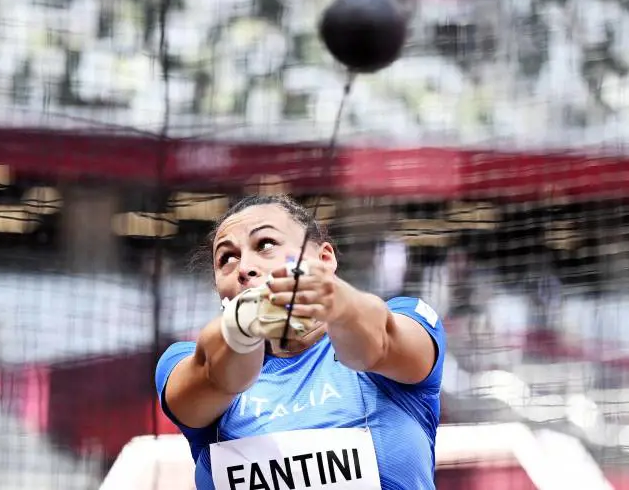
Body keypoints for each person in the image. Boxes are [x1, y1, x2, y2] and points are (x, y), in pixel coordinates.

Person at [155, 194, 445, 490]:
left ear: (324, 259)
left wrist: (331, 299)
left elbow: (378, 343)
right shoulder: (182, 361)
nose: (244, 267)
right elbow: (216, 375)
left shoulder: (408, 318)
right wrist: (246, 320)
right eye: (227, 258)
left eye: (265, 244)